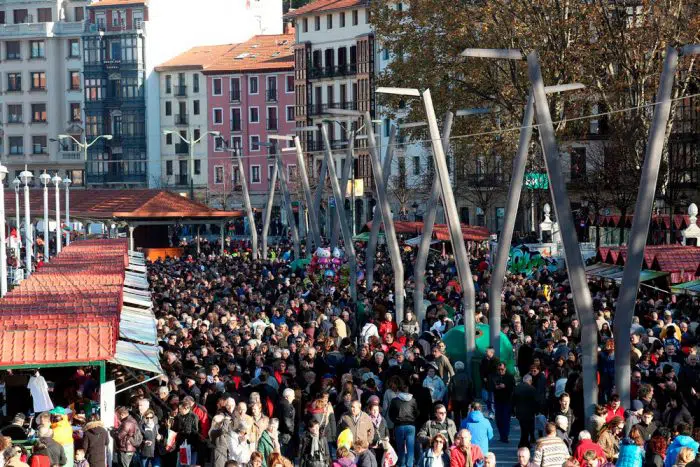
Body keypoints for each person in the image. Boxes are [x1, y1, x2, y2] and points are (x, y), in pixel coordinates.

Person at [389, 383, 418, 467]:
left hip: (399, 425)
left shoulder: (394, 400)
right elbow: (416, 412)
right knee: (410, 448)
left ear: (399, 391)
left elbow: (391, 413)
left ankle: (402, 464)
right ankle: (410, 464)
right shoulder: (413, 400)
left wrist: (395, 421)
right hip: (411, 425)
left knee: (400, 447)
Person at [489, 362, 515, 442]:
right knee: (499, 419)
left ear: (505, 369)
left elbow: (513, 387)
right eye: (499, 369)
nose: (500, 371)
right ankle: (501, 435)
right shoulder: (494, 376)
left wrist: (505, 386)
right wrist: (495, 387)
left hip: (507, 400)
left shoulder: (509, 377)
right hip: (498, 400)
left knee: (506, 419)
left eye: (502, 369)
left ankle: (505, 436)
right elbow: (490, 386)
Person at [512, 374, 538, 448]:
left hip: (520, 413)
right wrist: (537, 411)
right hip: (530, 413)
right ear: (530, 381)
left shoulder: (517, 388)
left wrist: (512, 411)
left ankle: (526, 444)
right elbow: (536, 401)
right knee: (526, 429)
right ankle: (522, 444)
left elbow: (513, 400)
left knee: (524, 429)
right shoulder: (532, 389)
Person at [278, 388, 296, 458]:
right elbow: (287, 422)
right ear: (288, 396)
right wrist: (292, 431)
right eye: (293, 396)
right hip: (286, 434)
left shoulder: (280, 403)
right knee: (286, 455)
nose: (294, 397)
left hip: (281, 433)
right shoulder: (286, 406)